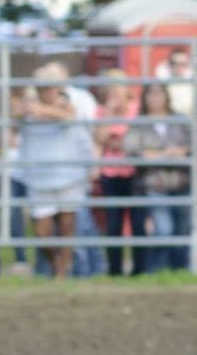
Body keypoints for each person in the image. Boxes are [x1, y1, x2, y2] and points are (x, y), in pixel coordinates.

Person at [11, 63, 96, 280]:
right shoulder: (28, 106)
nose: (47, 92)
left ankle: (62, 273)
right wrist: (31, 108)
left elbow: (68, 116)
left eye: (51, 87)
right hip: (39, 177)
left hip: (69, 174)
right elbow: (15, 115)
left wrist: (42, 111)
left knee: (68, 225)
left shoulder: (69, 103)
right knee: (42, 232)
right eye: (43, 88)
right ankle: (57, 264)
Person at [124, 80, 191, 274]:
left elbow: (194, 146)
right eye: (151, 94)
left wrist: (159, 154)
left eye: (159, 93)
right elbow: (133, 151)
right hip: (154, 184)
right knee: (163, 229)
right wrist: (167, 154)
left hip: (181, 183)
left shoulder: (180, 119)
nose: (155, 98)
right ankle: (157, 271)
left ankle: (180, 271)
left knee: (182, 230)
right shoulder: (139, 122)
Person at [92, 71, 138, 276]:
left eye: (119, 87)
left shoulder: (136, 109)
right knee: (113, 223)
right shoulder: (102, 111)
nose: (116, 92)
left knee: (138, 221)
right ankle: (115, 270)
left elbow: (135, 140)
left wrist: (118, 142)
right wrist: (110, 114)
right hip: (111, 171)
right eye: (111, 88)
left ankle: (139, 270)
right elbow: (100, 137)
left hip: (134, 171)